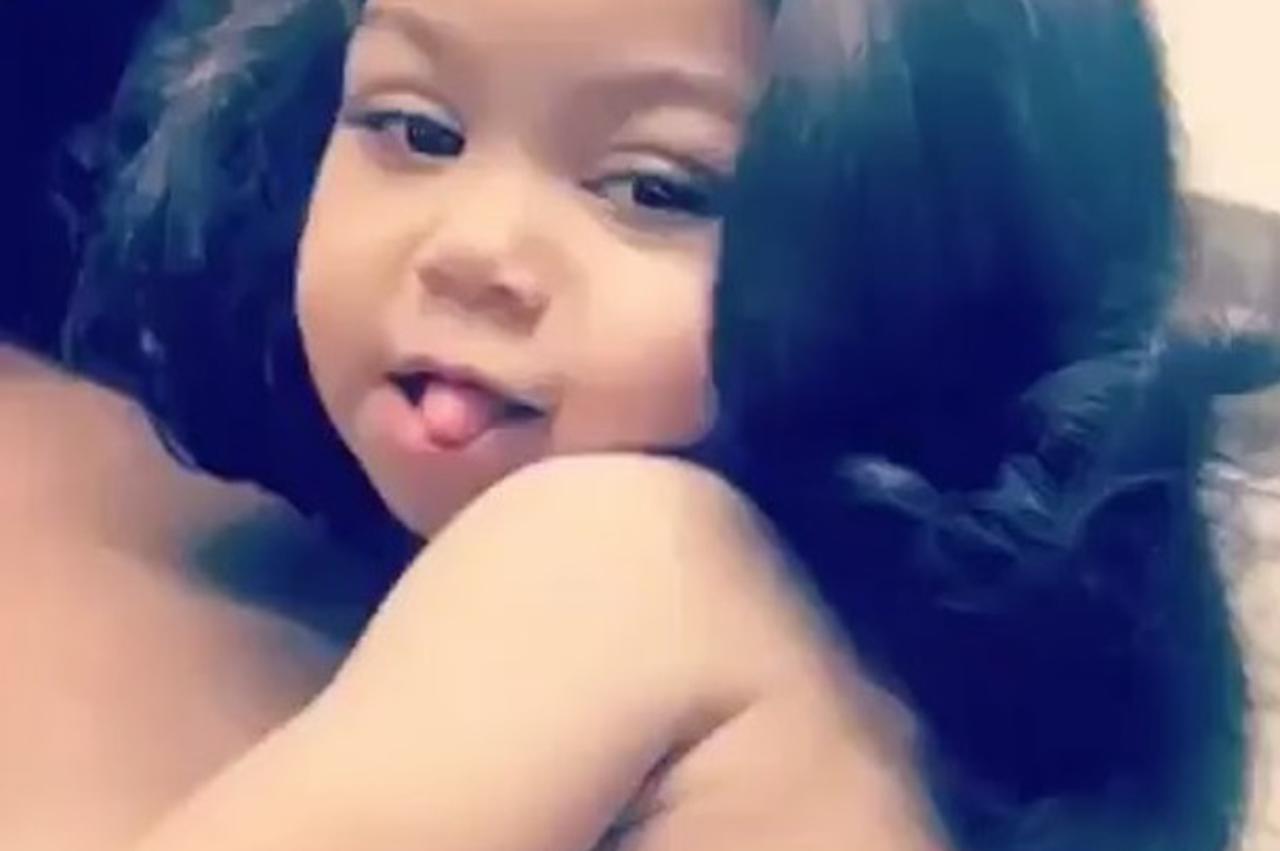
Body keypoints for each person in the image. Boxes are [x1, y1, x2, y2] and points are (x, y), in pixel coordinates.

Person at [65, 0, 1247, 848]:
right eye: (416, 129)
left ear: (936, 268)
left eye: (654, 188)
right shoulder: (870, 669)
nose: (472, 248)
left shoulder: (615, 551)